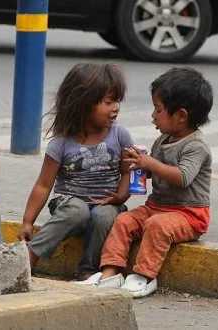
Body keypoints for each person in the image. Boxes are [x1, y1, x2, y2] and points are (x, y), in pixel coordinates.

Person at [85, 67, 213, 298]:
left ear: (181, 115)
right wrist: (136, 166)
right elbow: (155, 173)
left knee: (158, 226)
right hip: (156, 207)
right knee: (124, 220)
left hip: (189, 214)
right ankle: (110, 272)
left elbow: (183, 177)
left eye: (158, 109)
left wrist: (150, 163)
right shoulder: (162, 140)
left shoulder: (196, 146)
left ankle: (143, 276)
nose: (153, 116)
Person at [18, 63, 134, 281]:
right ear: (83, 105)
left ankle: (88, 269)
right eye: (108, 102)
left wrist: (121, 195)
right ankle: (30, 256)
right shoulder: (62, 143)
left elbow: (127, 172)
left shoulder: (120, 136)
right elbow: (43, 185)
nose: (115, 108)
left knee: (104, 215)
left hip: (107, 203)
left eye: (117, 101)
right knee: (77, 210)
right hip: (68, 203)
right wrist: (27, 221)